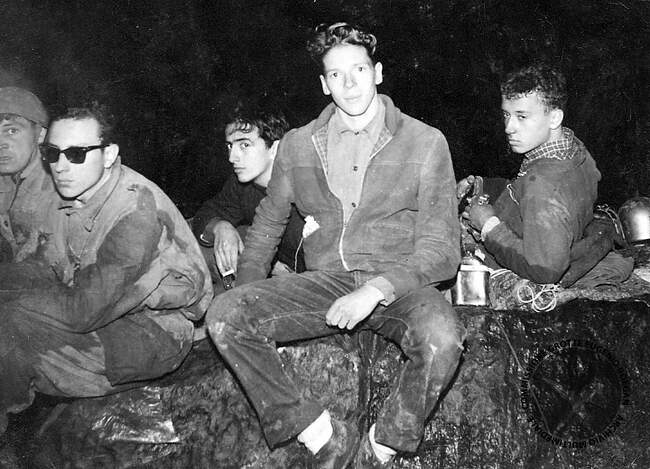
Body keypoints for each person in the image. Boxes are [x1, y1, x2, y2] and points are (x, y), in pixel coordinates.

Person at [207, 22, 464, 468]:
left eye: (359, 70)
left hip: (400, 283)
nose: (350, 84)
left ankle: (381, 446)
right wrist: (249, 297)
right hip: (327, 281)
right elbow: (267, 226)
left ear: (377, 73)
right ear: (324, 84)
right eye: (336, 75)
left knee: (443, 339)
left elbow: (442, 249)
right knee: (225, 316)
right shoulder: (298, 145)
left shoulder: (425, 142)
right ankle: (321, 435)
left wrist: (374, 291)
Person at [0, 104, 212, 434]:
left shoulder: (135, 214)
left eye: (77, 154)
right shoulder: (78, 191)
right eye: (53, 153)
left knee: (11, 327)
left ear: (109, 154)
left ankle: (14, 429)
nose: (61, 166)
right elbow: (44, 267)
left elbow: (82, 312)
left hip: (154, 332)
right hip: (101, 306)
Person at [460, 64, 633, 290]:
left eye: (522, 116)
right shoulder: (572, 148)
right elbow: (528, 188)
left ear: (554, 118)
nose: (509, 127)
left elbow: (545, 269)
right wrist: (484, 186)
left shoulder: (542, 186)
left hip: (523, 263)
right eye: (506, 114)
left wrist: (488, 226)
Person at [192, 103, 305, 287]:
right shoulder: (242, 184)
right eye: (230, 146)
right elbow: (204, 214)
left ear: (275, 148)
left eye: (244, 145)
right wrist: (220, 227)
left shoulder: (305, 187)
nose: (232, 157)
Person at [0, 86, 54, 262]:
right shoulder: (6, 177)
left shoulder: (61, 185)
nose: (1, 143)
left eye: (12, 131)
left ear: (40, 135)